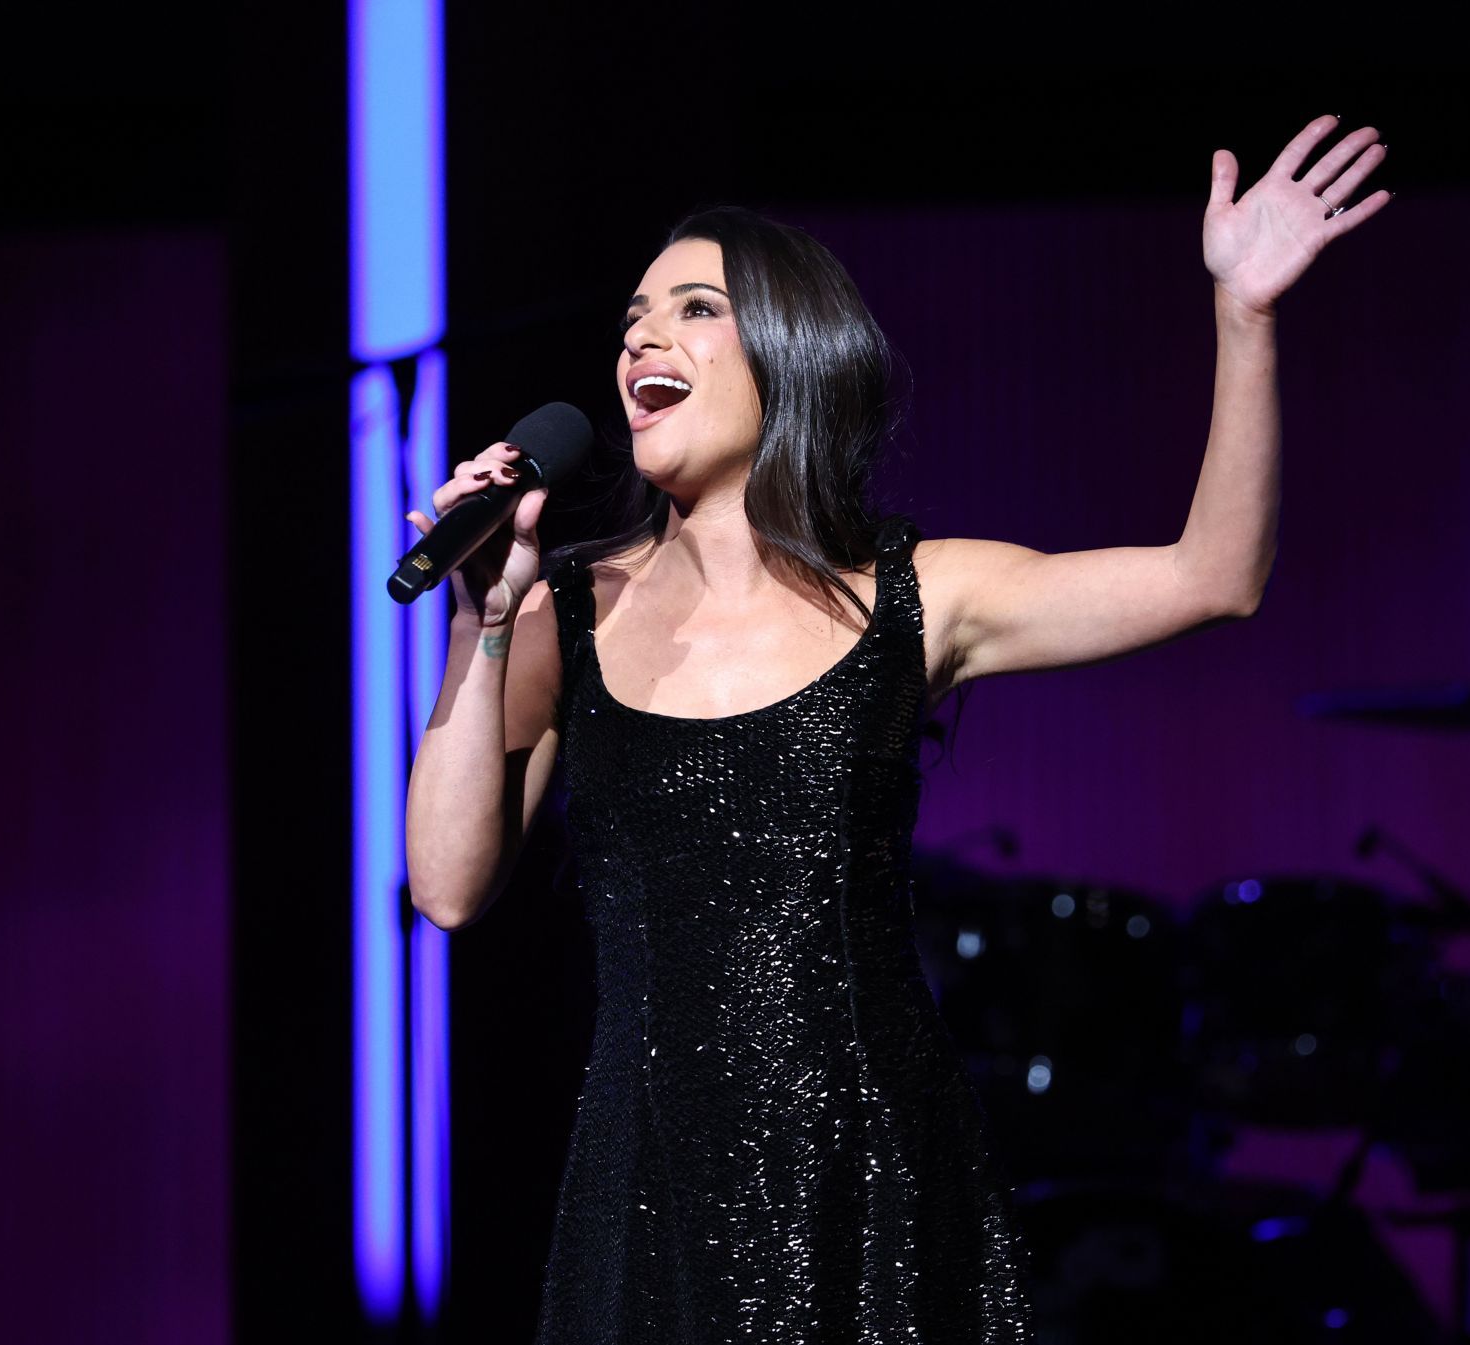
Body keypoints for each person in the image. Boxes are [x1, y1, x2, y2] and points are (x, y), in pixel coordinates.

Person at [403, 114, 1391, 1343]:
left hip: (871, 1169)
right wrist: (477, 621)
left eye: (695, 309)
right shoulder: (563, 612)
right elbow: (444, 886)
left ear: (788, 352)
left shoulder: (915, 602)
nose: (644, 335)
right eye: (633, 321)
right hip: (647, 1178)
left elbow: (1214, 576)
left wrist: (1244, 317)